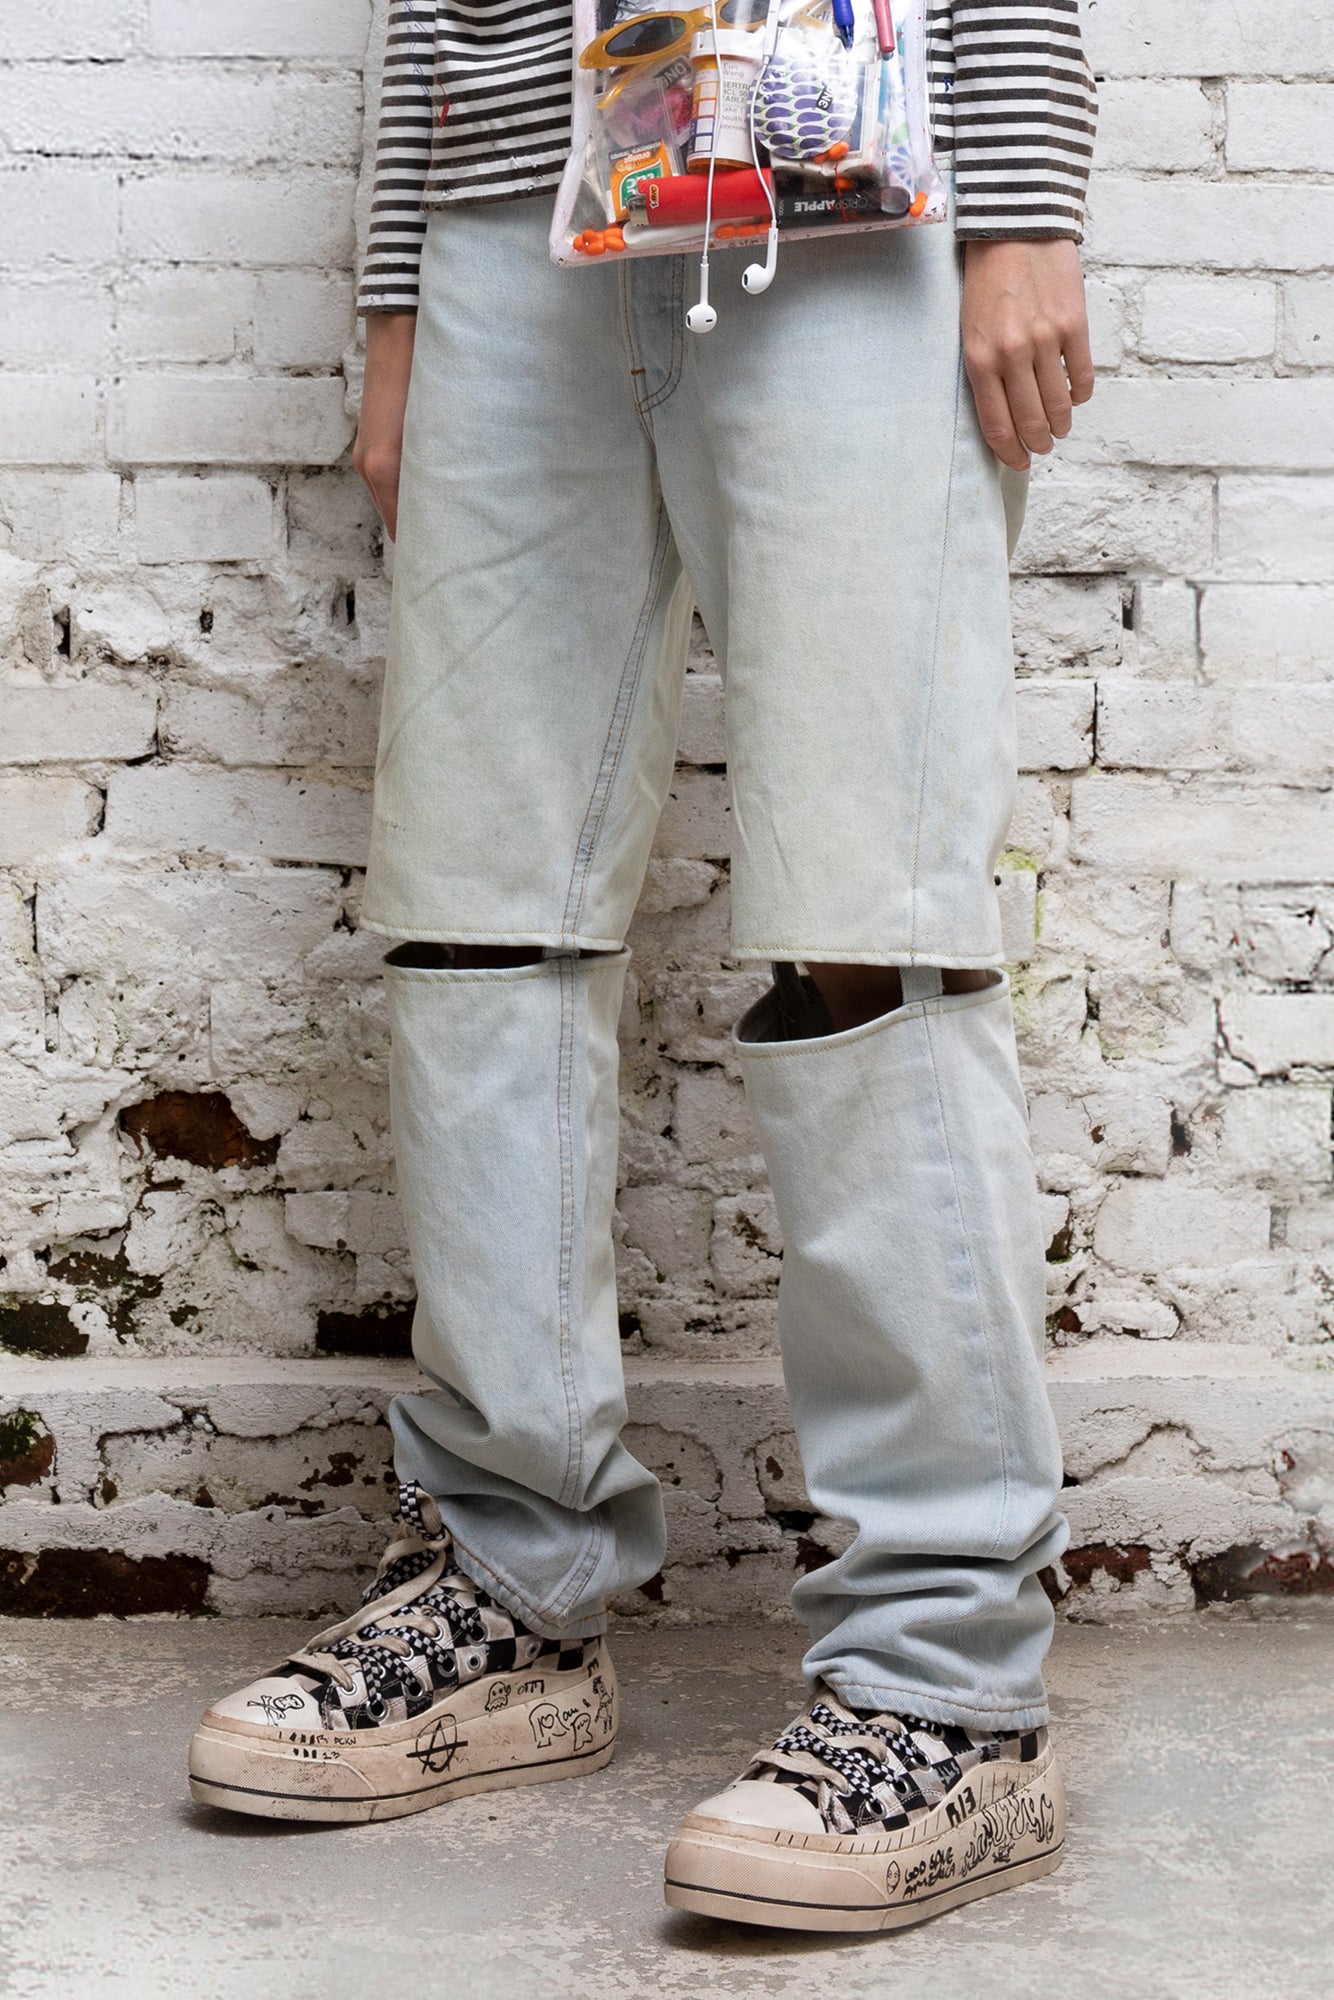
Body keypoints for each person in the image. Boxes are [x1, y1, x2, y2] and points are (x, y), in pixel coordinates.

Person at [190, 0, 1096, 1934]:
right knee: (475, 902)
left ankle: (949, 1680)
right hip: (509, 218)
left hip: (850, 182)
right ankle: (512, 1586)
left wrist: (1025, 209)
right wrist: (400, 299)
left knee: (871, 923)